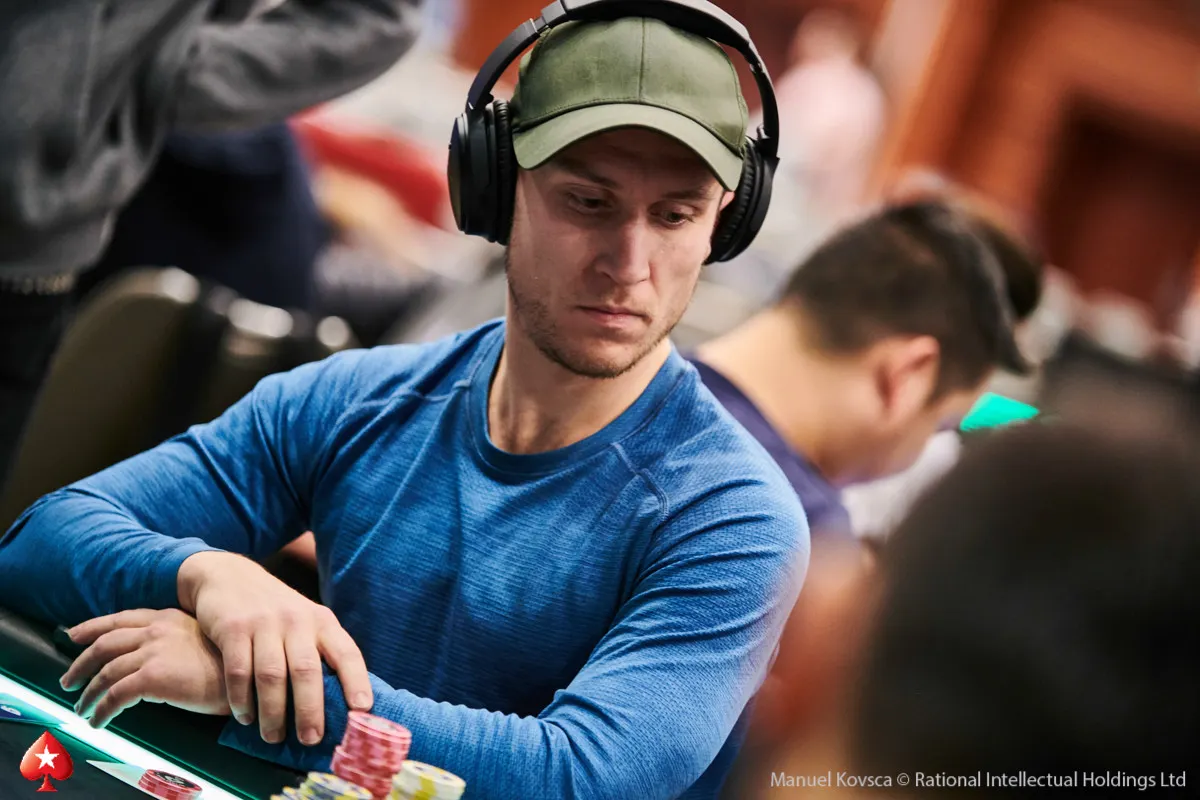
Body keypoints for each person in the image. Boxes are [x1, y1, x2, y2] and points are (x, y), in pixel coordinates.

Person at [0, 13, 808, 800]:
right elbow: (37, 542)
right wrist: (205, 575)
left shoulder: (732, 517)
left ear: (723, 224)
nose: (630, 264)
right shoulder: (361, 399)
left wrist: (258, 685)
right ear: (494, 187)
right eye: (588, 203)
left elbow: (583, 776)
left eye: (675, 216)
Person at [0, 0, 422, 491]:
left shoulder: (189, 136)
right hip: (219, 302)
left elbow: (381, 15)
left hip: (43, 260)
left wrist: (141, 78)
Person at [691, 199, 1043, 538]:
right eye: (940, 425)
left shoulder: (656, 379)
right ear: (908, 375)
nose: (928, 446)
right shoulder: (804, 543)